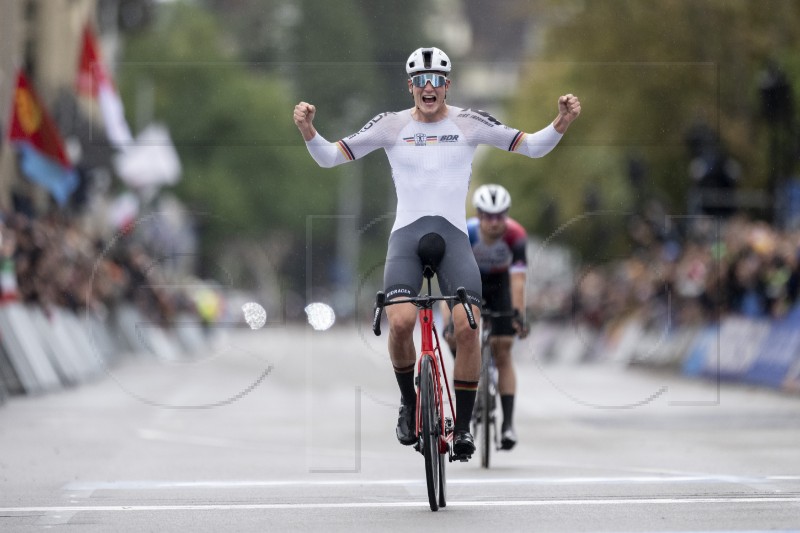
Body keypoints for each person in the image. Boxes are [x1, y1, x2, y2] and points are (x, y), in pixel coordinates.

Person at [293, 46, 580, 459]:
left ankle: (462, 428)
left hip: (452, 238)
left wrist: (561, 123)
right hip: (407, 237)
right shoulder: (389, 126)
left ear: (447, 85)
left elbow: (531, 146)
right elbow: (329, 158)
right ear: (410, 86)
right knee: (401, 322)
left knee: (467, 327)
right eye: (421, 81)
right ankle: (409, 407)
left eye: (437, 81)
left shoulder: (469, 122)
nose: (429, 88)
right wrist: (308, 130)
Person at [441, 183, 529, 450]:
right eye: (488, 216)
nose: (494, 222)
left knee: (503, 349)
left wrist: (518, 315)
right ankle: (466, 370)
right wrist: (448, 322)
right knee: (458, 335)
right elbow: (449, 282)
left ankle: (508, 424)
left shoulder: (516, 236)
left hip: (501, 286)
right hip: (470, 283)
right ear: (478, 215)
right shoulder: (466, 234)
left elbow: (518, 281)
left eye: (500, 215)